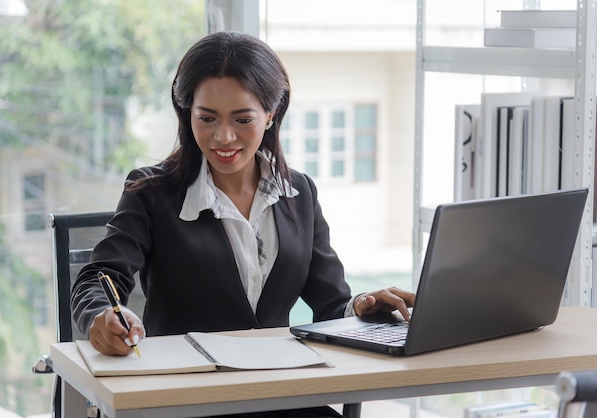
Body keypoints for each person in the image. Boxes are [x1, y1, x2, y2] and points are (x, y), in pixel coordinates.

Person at [71, 31, 415, 418]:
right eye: (207, 118)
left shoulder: (299, 192)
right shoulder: (151, 193)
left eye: (242, 119)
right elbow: (96, 279)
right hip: (185, 401)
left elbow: (330, 304)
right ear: (187, 113)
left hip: (280, 396)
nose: (223, 137)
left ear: (271, 113)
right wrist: (101, 316)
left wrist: (361, 308)